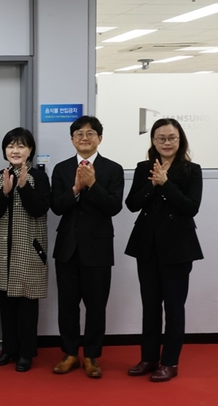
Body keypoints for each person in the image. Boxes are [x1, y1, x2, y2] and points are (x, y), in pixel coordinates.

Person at [124, 118, 203, 382]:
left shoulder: (191, 170)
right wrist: (153, 184)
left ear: (180, 140)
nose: (167, 143)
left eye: (172, 138)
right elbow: (132, 204)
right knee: (150, 306)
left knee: (174, 307)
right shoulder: (143, 168)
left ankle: (170, 362)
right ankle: (148, 358)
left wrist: (166, 184)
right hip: (147, 246)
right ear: (153, 140)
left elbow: (191, 207)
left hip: (179, 248)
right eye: (161, 138)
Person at [50, 115, 124, 379]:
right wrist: (75, 190)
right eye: (78, 133)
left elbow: (114, 207)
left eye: (90, 133)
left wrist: (92, 185)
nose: (84, 137)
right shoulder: (60, 169)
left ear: (100, 138)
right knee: (67, 305)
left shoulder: (113, 169)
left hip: (99, 249)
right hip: (67, 248)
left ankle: (92, 356)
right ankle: (70, 353)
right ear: (72, 139)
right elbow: (57, 206)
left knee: (96, 306)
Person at [0, 127, 50, 373]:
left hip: (29, 248)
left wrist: (24, 186)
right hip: (4, 248)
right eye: (11, 146)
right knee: (5, 301)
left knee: (27, 302)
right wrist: (5, 192)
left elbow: (40, 209)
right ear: (5, 150)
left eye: (21, 146)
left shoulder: (39, 177)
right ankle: (8, 349)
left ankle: (26, 353)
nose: (15, 150)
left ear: (30, 150)